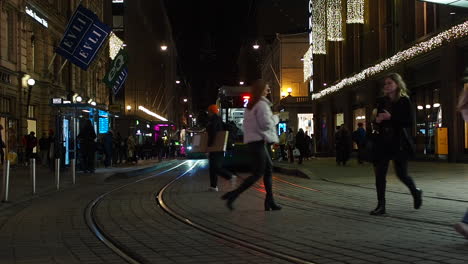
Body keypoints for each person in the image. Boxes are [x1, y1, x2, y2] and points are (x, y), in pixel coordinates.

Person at [221, 80, 281, 211]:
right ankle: (233, 195)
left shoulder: (251, 106)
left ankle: (269, 201)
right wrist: (276, 118)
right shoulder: (261, 105)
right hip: (258, 142)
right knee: (259, 173)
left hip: (254, 142)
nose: (268, 91)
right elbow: (266, 125)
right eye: (266, 88)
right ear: (260, 90)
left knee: (268, 170)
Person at [370, 73, 422, 216]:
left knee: (401, 174)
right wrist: (377, 121)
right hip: (383, 142)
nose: (386, 86)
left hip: (398, 142)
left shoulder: (404, 101)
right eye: (385, 84)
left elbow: (409, 122)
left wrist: (390, 117)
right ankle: (381, 206)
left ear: (397, 85)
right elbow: (376, 119)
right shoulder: (381, 101)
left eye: (390, 83)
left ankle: (415, 192)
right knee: (380, 174)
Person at [206, 104, 236, 192]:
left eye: (209, 111)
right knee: (212, 166)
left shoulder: (214, 120)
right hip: (217, 146)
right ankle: (213, 186)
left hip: (216, 146)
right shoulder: (217, 119)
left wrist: (209, 146)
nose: (208, 113)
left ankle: (230, 176)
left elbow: (213, 133)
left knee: (215, 167)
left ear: (211, 111)